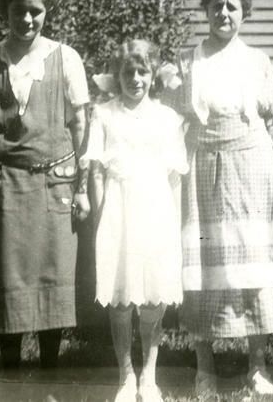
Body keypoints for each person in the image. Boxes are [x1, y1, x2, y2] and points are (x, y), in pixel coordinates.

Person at [173, 0, 273, 396]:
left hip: (252, 170)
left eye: (232, 7)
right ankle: (204, 368)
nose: (223, 14)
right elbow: (173, 123)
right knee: (203, 265)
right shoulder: (187, 62)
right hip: (202, 170)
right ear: (206, 10)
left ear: (244, 13)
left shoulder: (258, 62)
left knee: (253, 263)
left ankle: (257, 367)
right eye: (216, 6)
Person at [0, 0, 90, 369]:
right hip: (4, 185)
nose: (27, 20)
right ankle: (11, 373)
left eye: (36, 11)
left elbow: (80, 125)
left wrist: (81, 184)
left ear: (46, 12)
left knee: (53, 276)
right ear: (6, 11)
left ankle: (50, 371)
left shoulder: (66, 58)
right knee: (8, 279)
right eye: (19, 11)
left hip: (54, 184)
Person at [86, 39, 187, 402]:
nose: (135, 79)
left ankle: (150, 376)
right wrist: (100, 219)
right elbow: (96, 172)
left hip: (156, 210)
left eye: (142, 71)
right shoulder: (104, 114)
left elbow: (175, 176)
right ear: (117, 75)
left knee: (153, 297)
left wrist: (175, 225)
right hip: (118, 210)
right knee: (121, 298)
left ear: (153, 74)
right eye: (128, 72)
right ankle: (125, 376)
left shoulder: (167, 118)